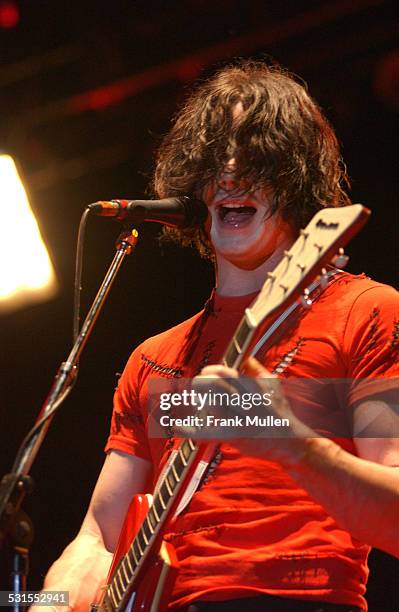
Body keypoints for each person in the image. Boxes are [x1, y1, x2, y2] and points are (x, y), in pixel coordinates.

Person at [34, 60, 399, 611]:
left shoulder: (367, 311)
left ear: (297, 179)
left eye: (256, 156)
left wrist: (292, 446)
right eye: (214, 157)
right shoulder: (153, 362)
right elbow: (97, 539)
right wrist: (51, 599)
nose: (229, 171)